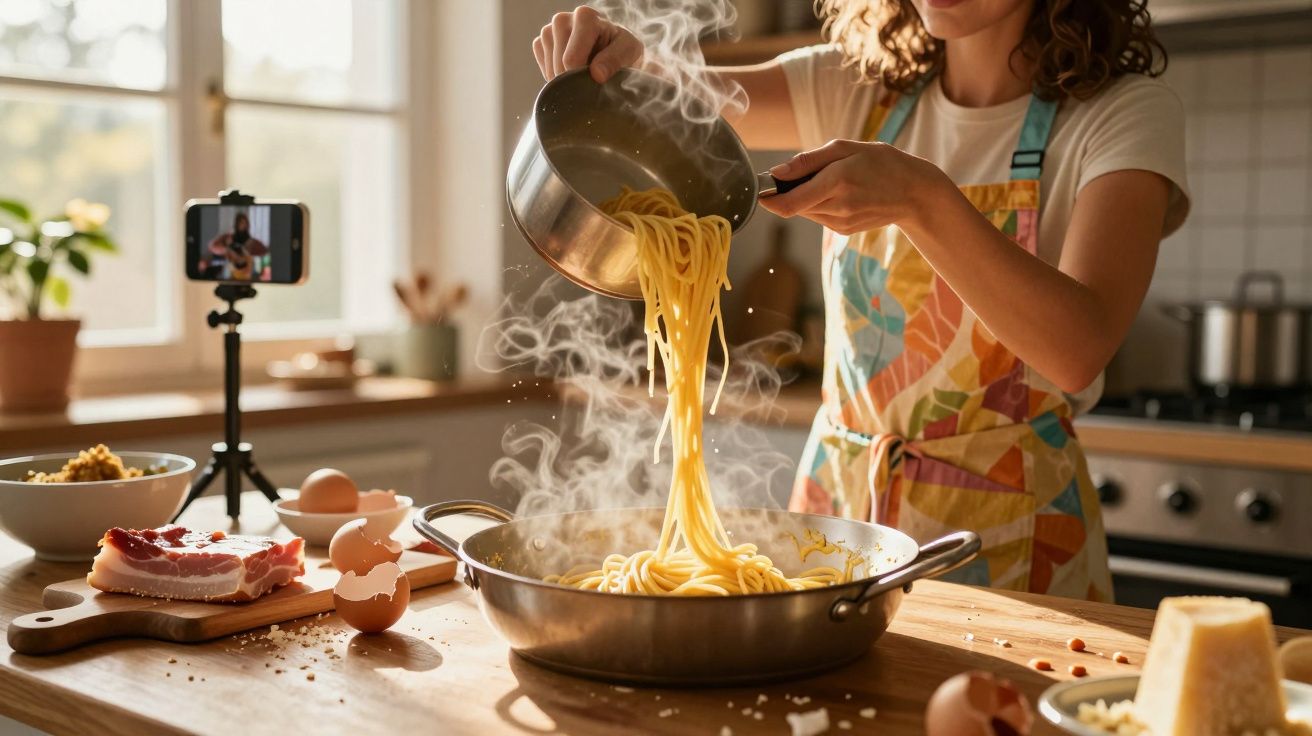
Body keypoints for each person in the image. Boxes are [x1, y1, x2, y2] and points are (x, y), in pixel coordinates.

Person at [534, 0, 1188, 601]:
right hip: (842, 526)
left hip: (1018, 539)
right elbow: (669, 93)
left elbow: (1078, 349)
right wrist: (619, 56)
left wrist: (921, 199)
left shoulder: (1122, 114)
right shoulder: (858, 87)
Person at [208, 212, 268, 281]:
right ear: (236, 224)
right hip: (231, 270)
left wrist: (249, 252)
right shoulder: (228, 237)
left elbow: (264, 251)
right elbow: (212, 246)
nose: (243, 225)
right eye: (241, 223)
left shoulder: (252, 242)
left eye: (245, 223)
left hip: (246, 271)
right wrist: (226, 249)